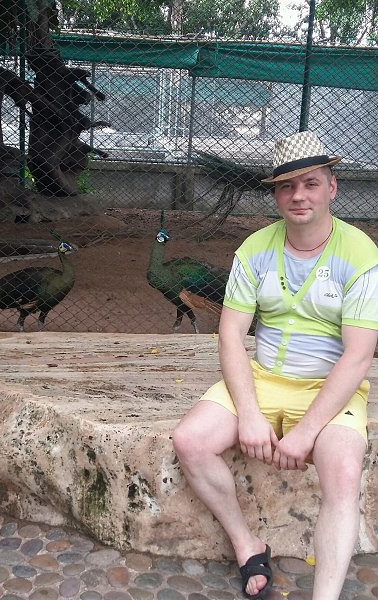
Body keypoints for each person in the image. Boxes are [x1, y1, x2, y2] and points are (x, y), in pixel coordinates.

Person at [172, 131, 378, 600]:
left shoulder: (361, 254)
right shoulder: (255, 249)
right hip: (264, 377)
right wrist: (248, 413)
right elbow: (230, 334)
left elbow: (358, 355)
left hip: (327, 386)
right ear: (276, 194)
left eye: (310, 183)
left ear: (332, 187)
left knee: (344, 473)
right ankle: (247, 543)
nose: (298, 195)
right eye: (287, 186)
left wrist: (306, 431)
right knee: (190, 440)